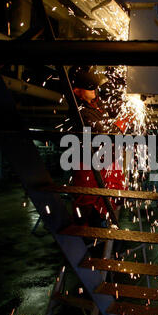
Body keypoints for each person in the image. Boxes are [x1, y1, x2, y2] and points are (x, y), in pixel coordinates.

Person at [68, 66, 128, 227]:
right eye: (89, 89)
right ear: (76, 91)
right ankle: (84, 233)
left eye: (95, 87)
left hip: (106, 161)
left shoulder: (95, 102)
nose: (94, 91)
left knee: (115, 195)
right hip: (87, 165)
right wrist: (121, 124)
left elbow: (110, 107)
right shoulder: (80, 113)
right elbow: (105, 136)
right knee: (87, 202)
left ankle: (102, 224)